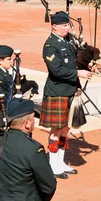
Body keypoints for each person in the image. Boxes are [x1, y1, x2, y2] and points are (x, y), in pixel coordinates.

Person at [42, 11, 93, 177]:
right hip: (58, 91)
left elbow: (76, 59)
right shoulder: (50, 45)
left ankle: (60, 162)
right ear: (54, 26)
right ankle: (52, 163)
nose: (67, 28)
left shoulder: (68, 40)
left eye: (68, 25)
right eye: (64, 25)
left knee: (66, 128)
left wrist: (88, 64)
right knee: (56, 129)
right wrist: (78, 73)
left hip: (71, 89)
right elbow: (56, 70)